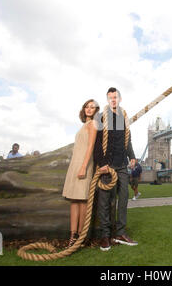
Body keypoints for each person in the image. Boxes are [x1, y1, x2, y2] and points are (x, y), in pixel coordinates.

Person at [94, 87, 137, 251]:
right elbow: (97, 143)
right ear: (107, 100)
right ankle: (105, 235)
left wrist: (132, 156)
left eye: (115, 97)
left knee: (124, 198)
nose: (113, 100)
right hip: (108, 165)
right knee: (105, 201)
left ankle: (120, 233)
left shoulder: (124, 117)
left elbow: (128, 140)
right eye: (110, 97)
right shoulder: (101, 117)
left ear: (120, 99)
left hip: (122, 164)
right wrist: (101, 162)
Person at [62, 99, 99, 247]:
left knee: (82, 201)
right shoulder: (84, 125)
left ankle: (81, 237)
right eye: (87, 107)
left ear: (96, 111)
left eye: (92, 107)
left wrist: (84, 166)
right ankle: (73, 235)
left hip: (84, 164)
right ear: (83, 109)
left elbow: (90, 146)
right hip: (75, 164)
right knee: (74, 200)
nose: (89, 109)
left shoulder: (93, 124)